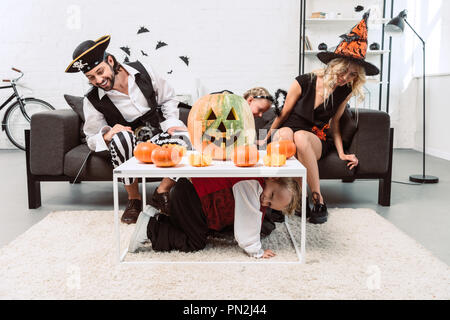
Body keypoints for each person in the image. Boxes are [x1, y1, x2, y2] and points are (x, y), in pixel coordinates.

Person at [258, 11, 379, 224]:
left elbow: (335, 125)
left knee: (302, 138)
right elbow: (283, 114)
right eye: (344, 72)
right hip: (288, 131)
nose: (346, 78)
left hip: (313, 139)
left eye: (352, 75)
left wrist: (342, 153)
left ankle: (317, 199)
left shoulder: (345, 91)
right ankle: (288, 200)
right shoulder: (303, 82)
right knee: (286, 134)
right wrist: (266, 138)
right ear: (334, 65)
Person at [65, 35, 188, 224]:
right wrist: (107, 134)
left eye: (100, 71)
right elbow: (90, 136)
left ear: (111, 61)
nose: (98, 80)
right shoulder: (92, 100)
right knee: (121, 138)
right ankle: (134, 201)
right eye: (91, 77)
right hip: (132, 145)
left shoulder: (144, 70)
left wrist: (172, 123)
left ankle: (161, 192)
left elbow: (168, 98)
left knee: (184, 136)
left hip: (158, 134)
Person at [128, 176, 301, 258]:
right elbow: (247, 222)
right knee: (194, 243)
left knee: (198, 231)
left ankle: (157, 218)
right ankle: (150, 228)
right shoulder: (252, 184)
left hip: (193, 200)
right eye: (271, 194)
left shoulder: (261, 188)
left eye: (270, 205)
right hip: (191, 197)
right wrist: (256, 250)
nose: (265, 200)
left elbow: (255, 218)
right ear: (272, 178)